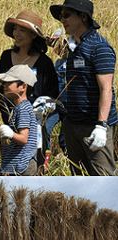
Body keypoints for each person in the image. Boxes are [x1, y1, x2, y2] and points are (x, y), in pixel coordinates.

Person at [50, 0, 117, 176]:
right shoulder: (75, 46)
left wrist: (102, 125)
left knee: (103, 176)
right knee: (78, 175)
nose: (62, 20)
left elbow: (106, 89)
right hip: (73, 123)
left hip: (93, 125)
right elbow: (70, 56)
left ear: (83, 17)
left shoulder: (99, 47)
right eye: (61, 16)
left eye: (66, 15)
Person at [0, 11, 59, 168]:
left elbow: (51, 94)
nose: (16, 34)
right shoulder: (6, 56)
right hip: (9, 115)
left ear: (33, 35)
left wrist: (36, 110)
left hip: (35, 121)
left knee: (31, 159)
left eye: (22, 30)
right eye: (15, 29)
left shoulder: (44, 63)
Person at [0, 65, 39, 175]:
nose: (4, 86)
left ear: (23, 87)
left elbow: (24, 139)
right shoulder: (19, 108)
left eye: (9, 82)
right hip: (16, 165)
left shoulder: (23, 109)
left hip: (21, 166)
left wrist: (11, 134)